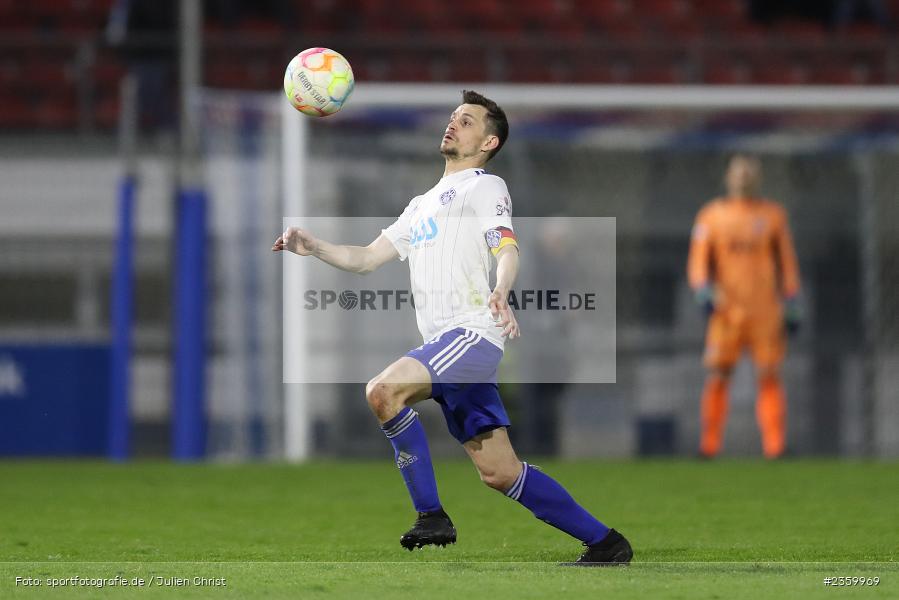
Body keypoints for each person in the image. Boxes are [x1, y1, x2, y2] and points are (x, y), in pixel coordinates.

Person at [273, 90, 632, 565]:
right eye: (452, 117)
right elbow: (365, 259)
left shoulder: (485, 187)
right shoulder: (421, 204)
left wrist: (502, 288)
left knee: (383, 392)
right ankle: (607, 543)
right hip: (445, 345)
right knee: (500, 473)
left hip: (469, 335)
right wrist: (313, 246)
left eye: (466, 121)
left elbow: (506, 246)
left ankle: (431, 515)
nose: (452, 124)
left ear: (488, 142)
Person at [687, 155, 802, 459]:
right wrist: (702, 291)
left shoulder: (773, 216)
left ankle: (775, 447)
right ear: (728, 176)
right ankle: (708, 446)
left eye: (750, 172)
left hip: (765, 311)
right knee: (718, 374)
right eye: (739, 172)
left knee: (769, 374)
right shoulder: (712, 216)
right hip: (727, 310)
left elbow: (787, 262)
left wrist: (791, 300)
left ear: (758, 178)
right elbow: (698, 260)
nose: (744, 177)